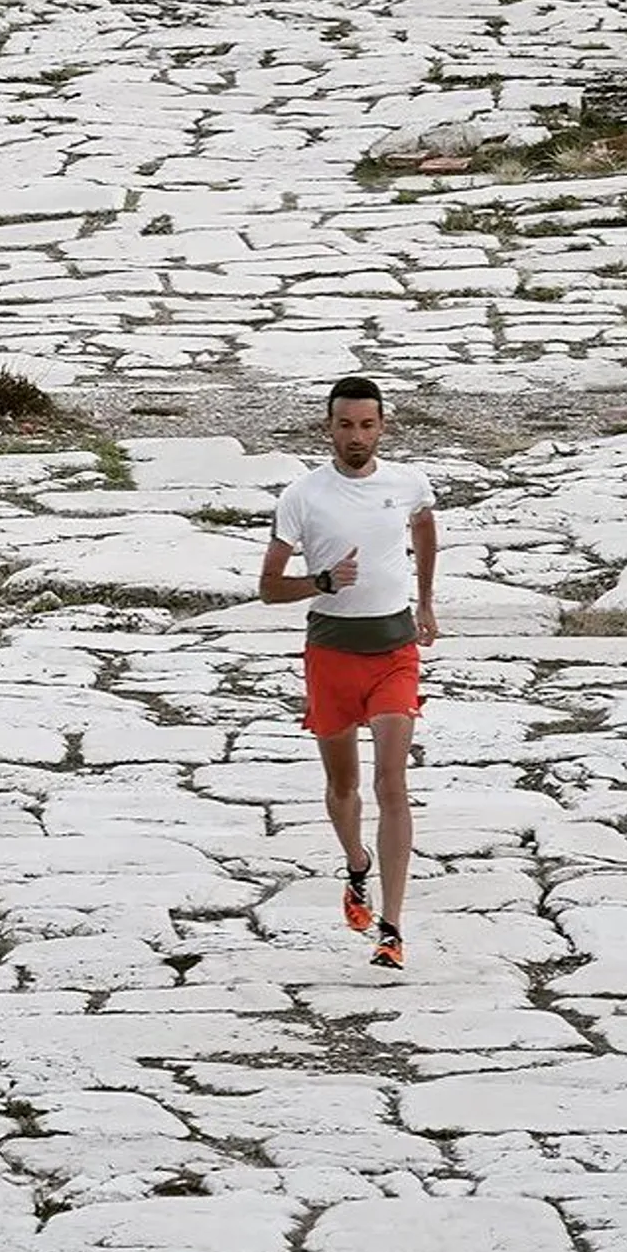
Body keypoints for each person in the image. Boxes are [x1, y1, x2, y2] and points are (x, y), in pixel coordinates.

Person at [259, 376, 437, 971]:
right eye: (345, 425)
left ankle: (392, 928)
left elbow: (424, 524)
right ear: (328, 428)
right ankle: (356, 864)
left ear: (383, 425)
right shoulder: (302, 497)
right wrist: (323, 582)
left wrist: (428, 601)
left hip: (394, 650)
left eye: (367, 425)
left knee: (393, 784)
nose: (356, 436)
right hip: (331, 652)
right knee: (344, 788)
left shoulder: (407, 483)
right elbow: (267, 589)